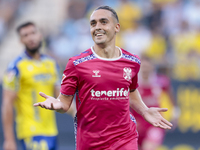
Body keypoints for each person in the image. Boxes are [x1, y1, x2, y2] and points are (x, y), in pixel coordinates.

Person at [34, 6, 173, 150]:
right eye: (93, 23)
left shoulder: (132, 62)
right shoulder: (76, 64)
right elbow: (64, 103)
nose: (97, 27)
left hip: (125, 139)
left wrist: (144, 110)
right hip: (90, 142)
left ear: (116, 27)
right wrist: (57, 105)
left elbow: (131, 91)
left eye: (103, 22)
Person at [2, 22, 61, 150]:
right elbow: (7, 104)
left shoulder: (51, 64)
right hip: (31, 131)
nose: (30, 38)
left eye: (33, 33)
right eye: (25, 35)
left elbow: (61, 97)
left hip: (51, 131)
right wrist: (9, 140)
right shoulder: (15, 67)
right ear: (20, 40)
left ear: (40, 35)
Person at [130, 55, 178, 150]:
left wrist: (175, 115)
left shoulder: (161, 81)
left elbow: (171, 98)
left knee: (149, 147)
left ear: (152, 67)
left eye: (147, 67)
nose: (145, 70)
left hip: (155, 123)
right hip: (138, 123)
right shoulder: (133, 82)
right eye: (143, 67)